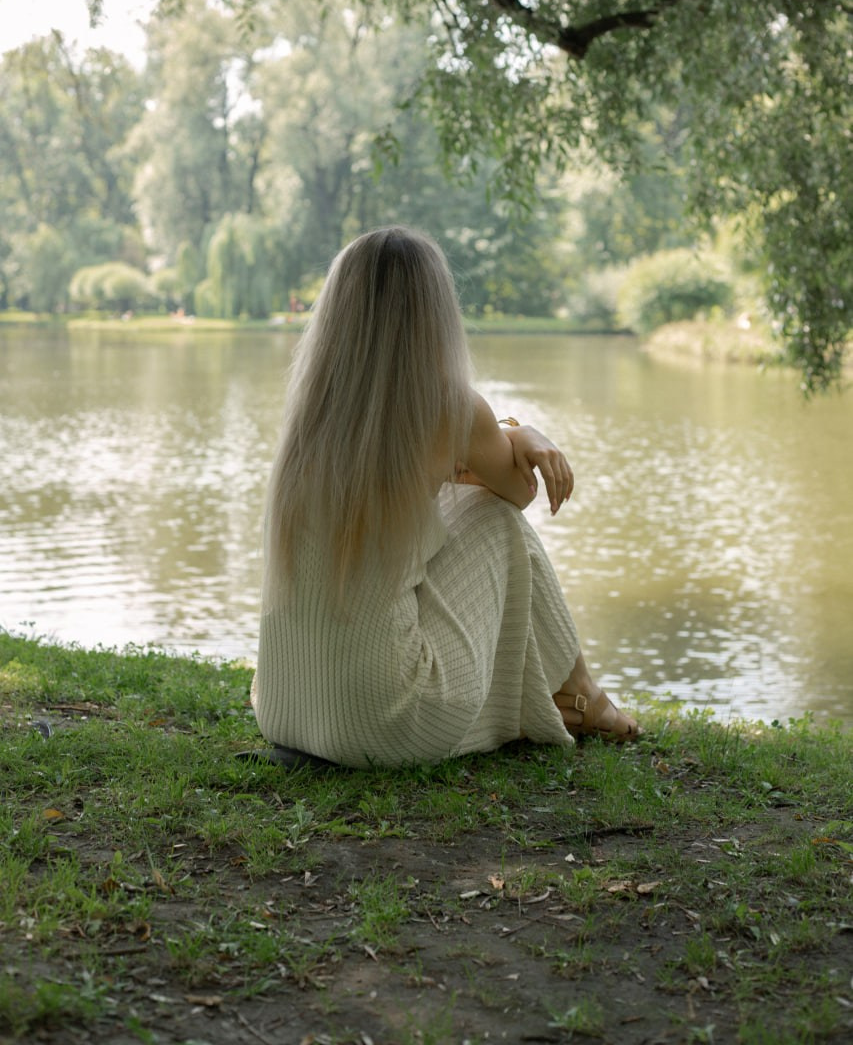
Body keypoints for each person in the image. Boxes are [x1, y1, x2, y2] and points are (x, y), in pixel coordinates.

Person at [252, 226, 638, 768]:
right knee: (498, 520)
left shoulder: (312, 413)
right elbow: (516, 491)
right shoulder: (448, 407)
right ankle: (583, 694)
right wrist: (522, 434)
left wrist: (475, 455)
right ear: (434, 312)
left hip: (284, 709)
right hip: (387, 724)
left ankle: (568, 695)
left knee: (453, 510)